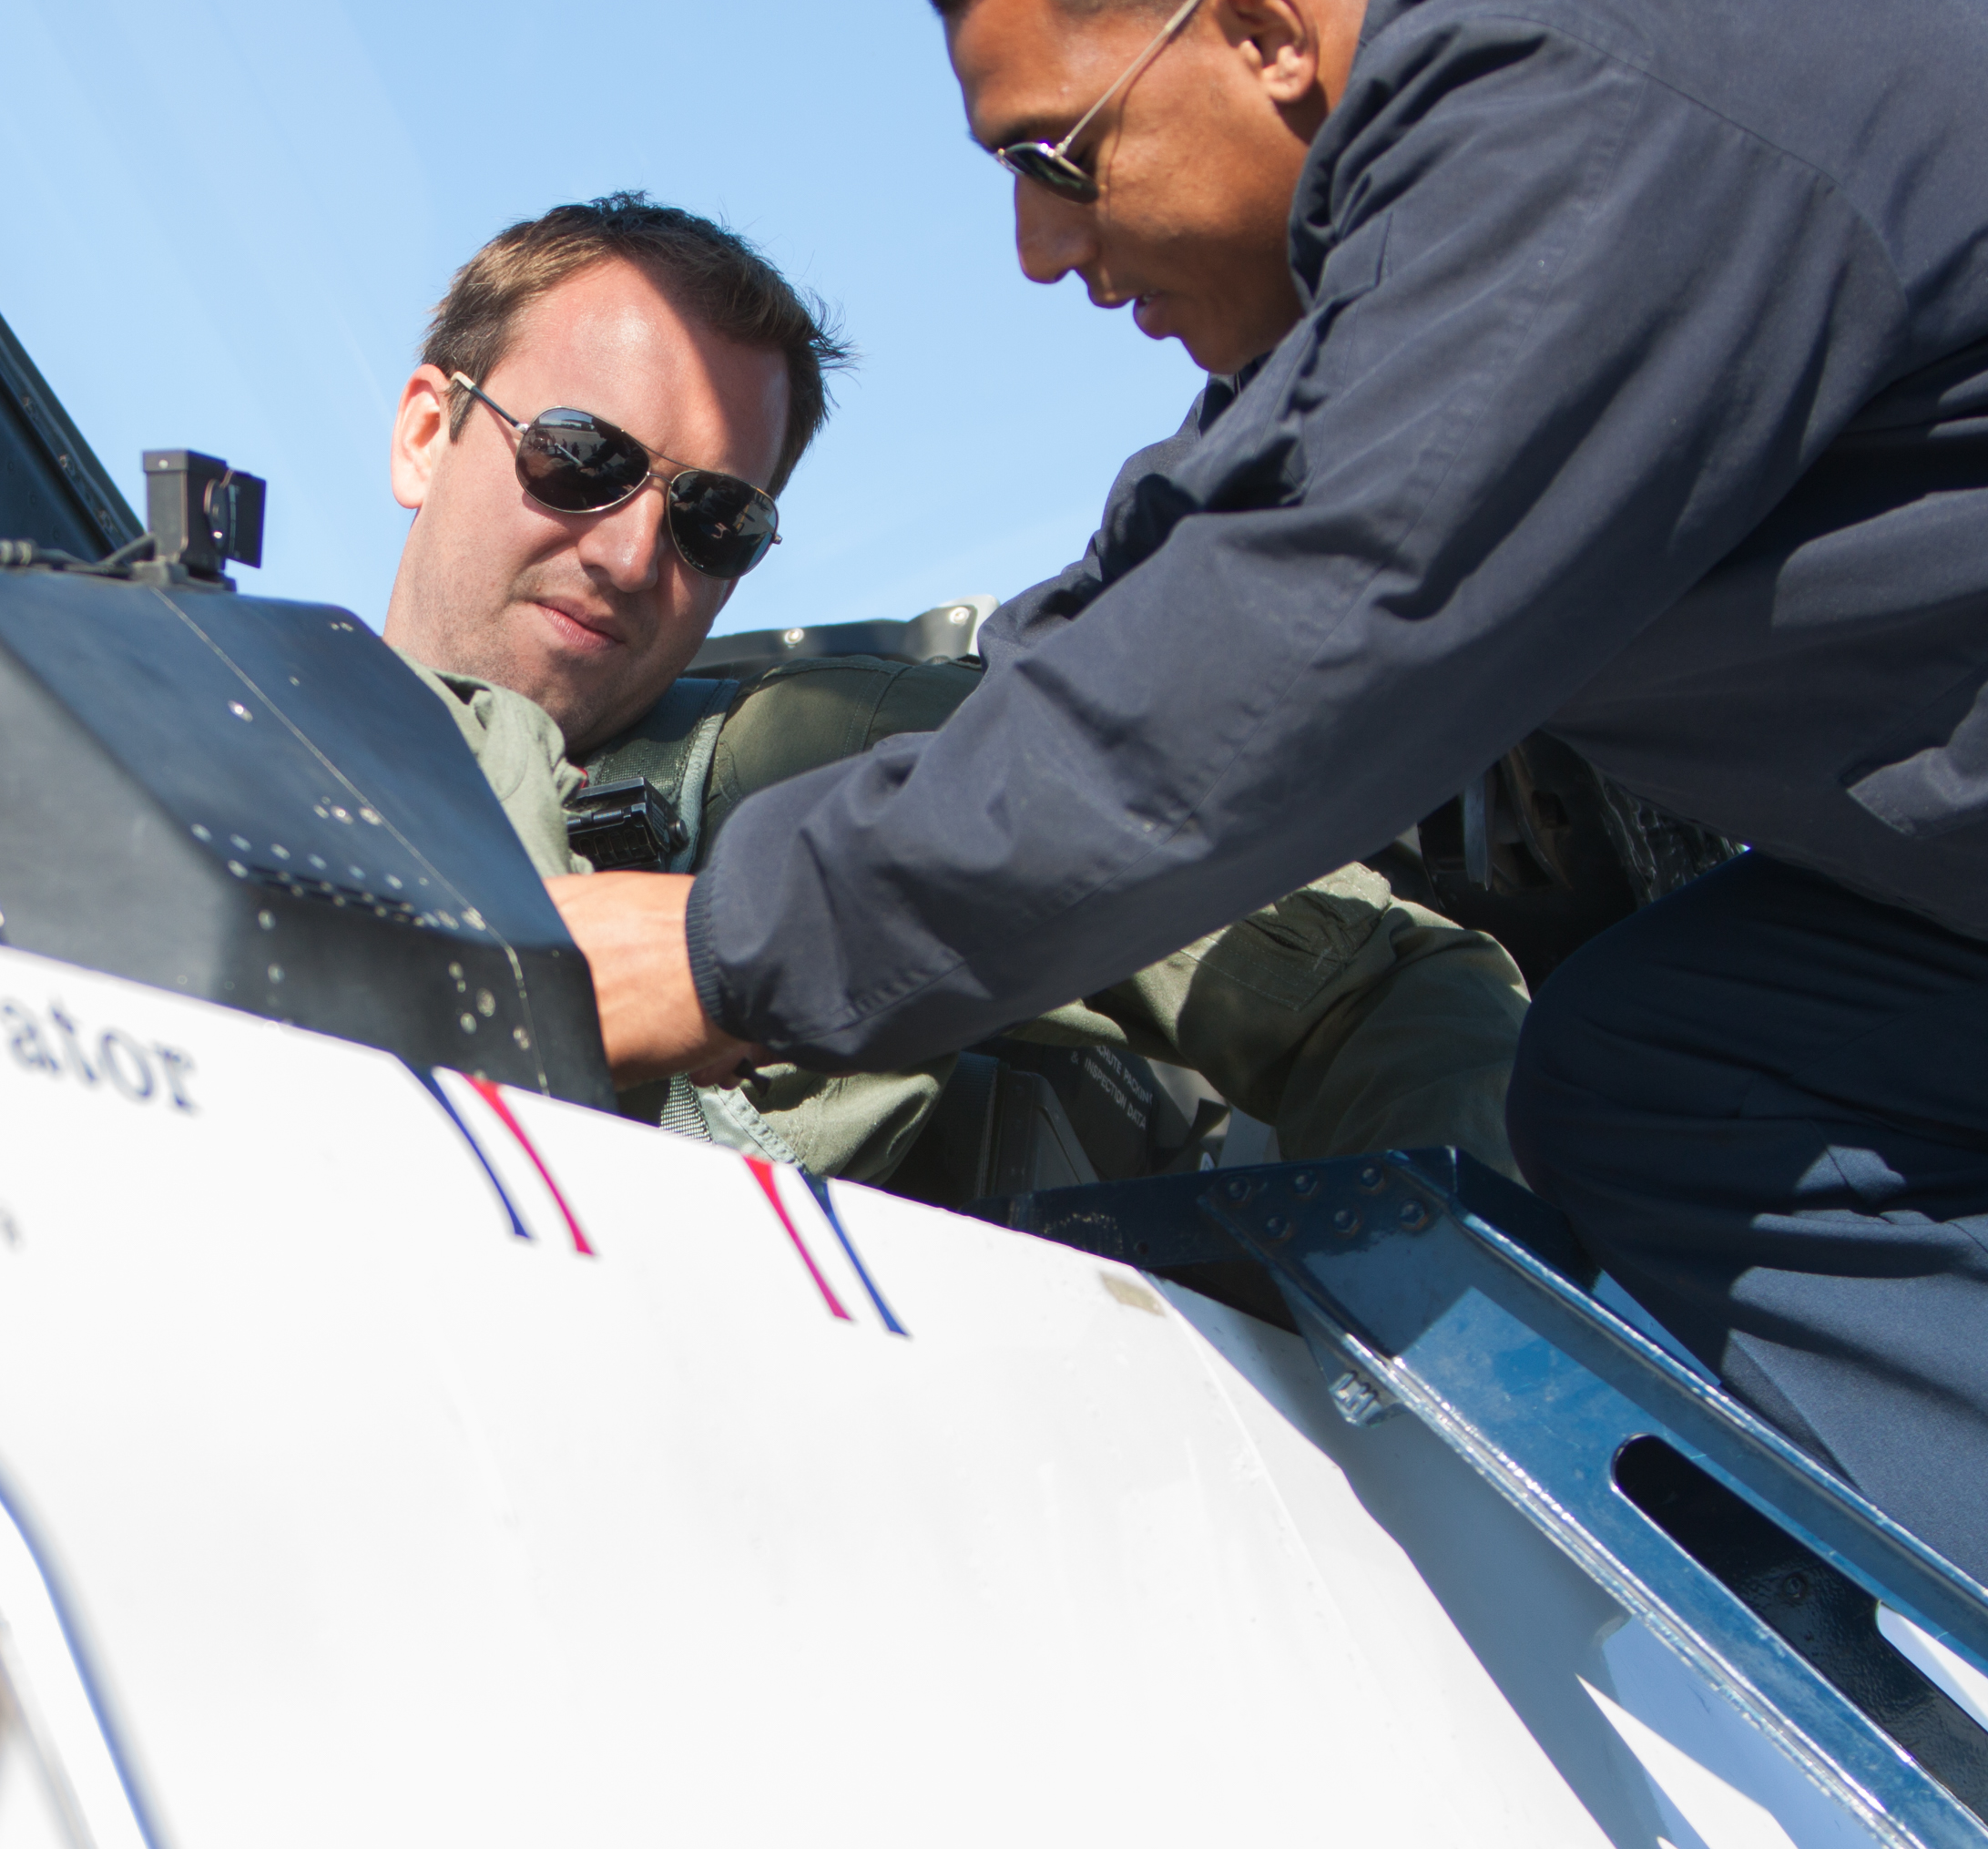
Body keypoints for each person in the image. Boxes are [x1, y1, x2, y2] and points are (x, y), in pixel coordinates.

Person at [548, 0, 1988, 1696]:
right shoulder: (1450, 244)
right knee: (1670, 1070)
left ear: (1266, 33)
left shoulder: (1590, 88)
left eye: (1055, 157)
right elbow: (1202, 564)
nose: (1037, 248)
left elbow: (1316, 633)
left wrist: (732, 950)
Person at [379, 191, 1528, 1189]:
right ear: (428, 434)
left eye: (713, 519)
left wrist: (1408, 1319)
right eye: (583, 457)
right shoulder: (264, 716)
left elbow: (1391, 981)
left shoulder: (832, 765)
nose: (633, 557)